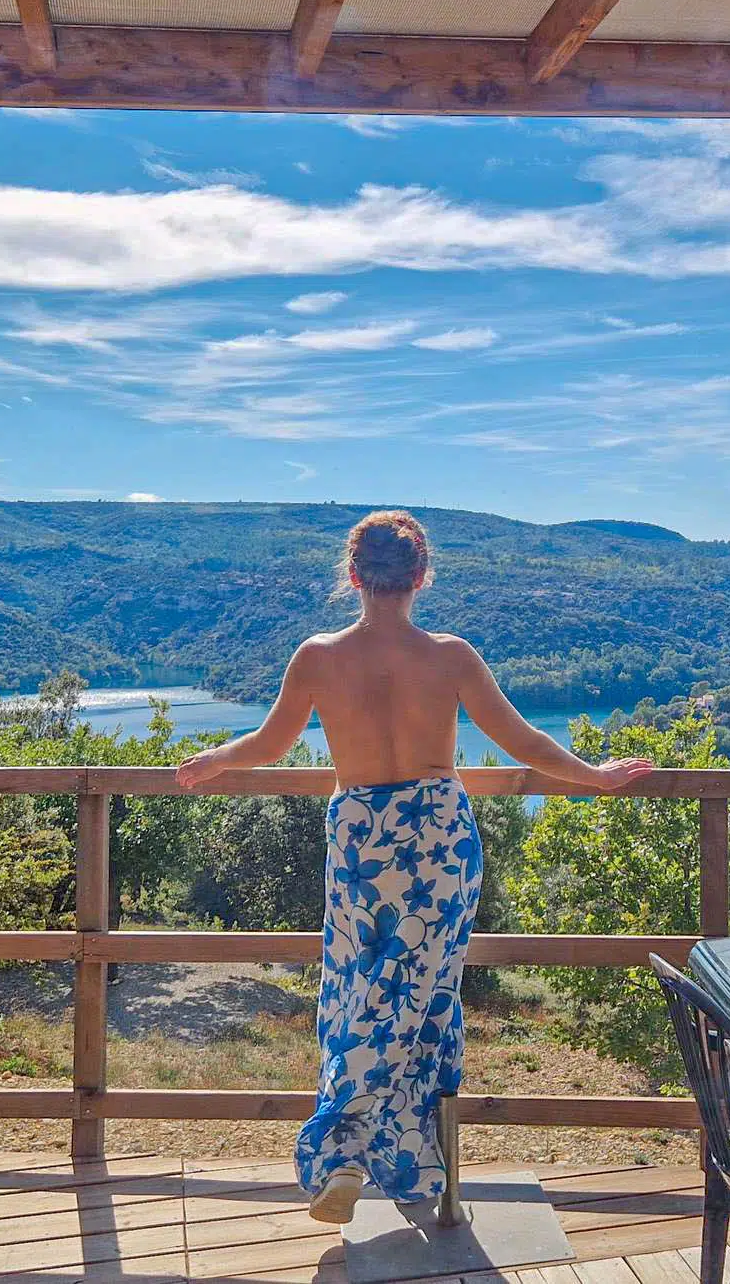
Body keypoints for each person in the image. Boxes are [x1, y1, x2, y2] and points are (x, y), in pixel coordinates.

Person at [172, 509, 651, 1223]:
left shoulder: (317, 656)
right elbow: (523, 742)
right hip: (438, 838)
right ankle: (407, 1162)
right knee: (424, 999)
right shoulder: (451, 656)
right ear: (422, 576)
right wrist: (597, 775)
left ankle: (343, 1152)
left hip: (362, 840)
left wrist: (212, 759)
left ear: (353, 576)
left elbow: (270, 744)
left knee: (359, 991)